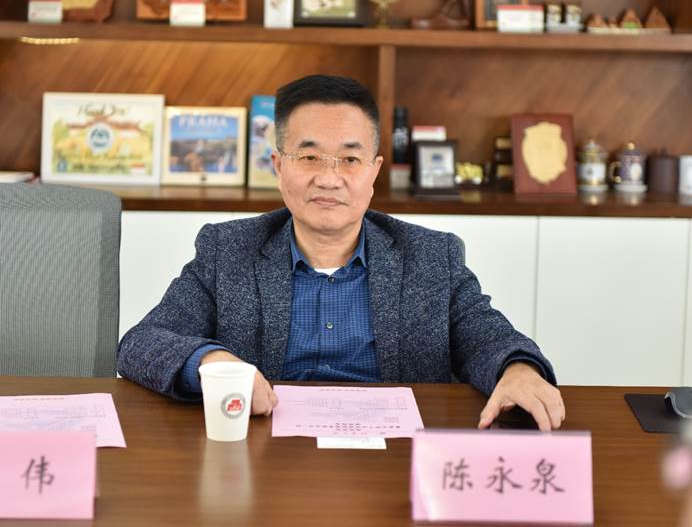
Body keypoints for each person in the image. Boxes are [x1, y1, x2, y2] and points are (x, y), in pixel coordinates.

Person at [118, 74, 565, 431]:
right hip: (262, 458)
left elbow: (488, 337)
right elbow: (141, 343)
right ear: (279, 166)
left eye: (350, 160)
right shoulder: (228, 250)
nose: (329, 179)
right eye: (309, 157)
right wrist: (212, 363)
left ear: (373, 172)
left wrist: (518, 370)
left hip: (394, 463)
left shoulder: (431, 256)